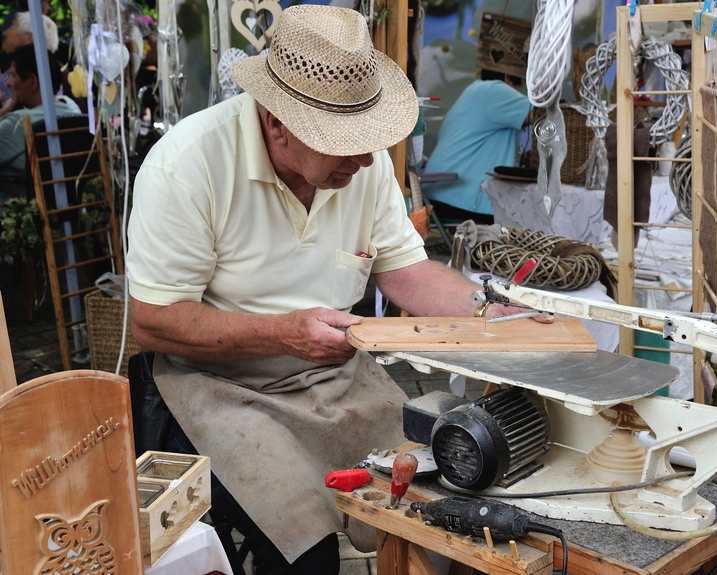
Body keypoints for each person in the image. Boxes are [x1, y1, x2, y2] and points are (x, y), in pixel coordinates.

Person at [126, 6, 542, 574]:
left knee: (446, 499)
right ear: (277, 124)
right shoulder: (188, 164)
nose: (367, 158)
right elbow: (151, 320)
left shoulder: (358, 168)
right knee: (307, 552)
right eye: (348, 141)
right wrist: (281, 333)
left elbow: (405, 272)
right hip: (219, 384)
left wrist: (490, 312)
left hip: (335, 376)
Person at [422, 68, 532, 224]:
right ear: (508, 77)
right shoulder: (495, 90)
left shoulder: (476, 90)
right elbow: (543, 114)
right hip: (462, 201)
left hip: (440, 194)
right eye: (520, 83)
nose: (519, 93)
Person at [0, 44, 80, 196]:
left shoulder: (18, 123)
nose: (8, 82)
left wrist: (3, 111)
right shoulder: (71, 108)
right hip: (65, 206)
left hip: (14, 212)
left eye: (12, 76)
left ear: (32, 81)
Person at [1, 11, 59, 119]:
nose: (5, 33)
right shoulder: (54, 70)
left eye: (12, 27)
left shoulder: (42, 73)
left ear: (28, 38)